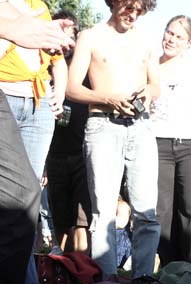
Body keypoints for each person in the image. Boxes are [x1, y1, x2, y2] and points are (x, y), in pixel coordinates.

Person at [66, 0, 160, 279]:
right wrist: (107, 98)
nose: (134, 13)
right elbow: (72, 87)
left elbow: (156, 84)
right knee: (103, 212)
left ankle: (143, 282)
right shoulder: (90, 36)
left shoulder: (146, 40)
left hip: (141, 128)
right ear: (114, 2)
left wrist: (147, 93)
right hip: (102, 126)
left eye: (141, 9)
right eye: (129, 6)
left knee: (147, 212)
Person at [0, 0, 74, 284]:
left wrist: (57, 92)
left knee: (23, 197)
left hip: (33, 100)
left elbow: (54, 57)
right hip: (6, 91)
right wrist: (13, 29)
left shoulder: (37, 6)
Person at [151, 15, 191, 267]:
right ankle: (167, 267)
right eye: (169, 33)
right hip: (158, 144)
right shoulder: (151, 66)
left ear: (189, 43)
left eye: (179, 36)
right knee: (161, 209)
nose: (171, 39)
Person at [45, 9, 91, 254]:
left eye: (69, 33)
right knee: (60, 217)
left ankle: (82, 273)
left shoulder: (85, 70)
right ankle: (58, 272)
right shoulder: (42, 68)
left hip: (82, 153)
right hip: (52, 155)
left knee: (81, 220)